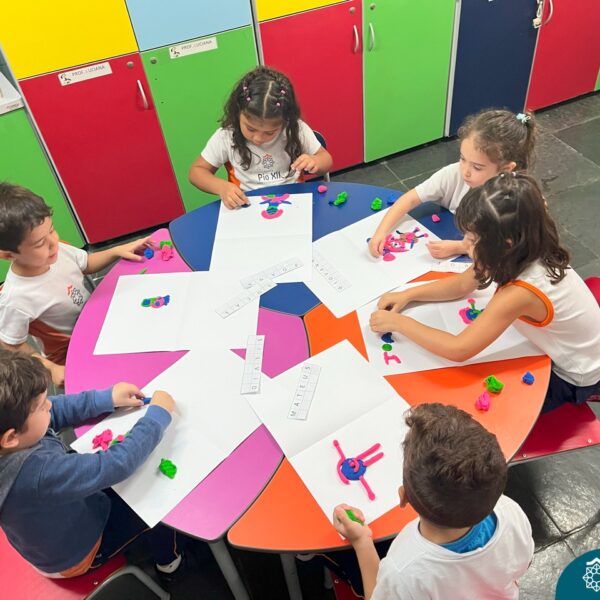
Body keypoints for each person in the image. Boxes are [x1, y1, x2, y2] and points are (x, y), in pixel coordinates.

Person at [370, 173, 600, 412]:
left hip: (572, 375)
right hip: (568, 344)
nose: (465, 244)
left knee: (485, 411)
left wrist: (400, 323)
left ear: (505, 244)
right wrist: (408, 295)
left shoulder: (521, 292)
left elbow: (459, 349)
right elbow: (462, 285)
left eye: (471, 240)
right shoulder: (521, 246)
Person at [0, 350, 182, 578]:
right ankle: (169, 564)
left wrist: (106, 399)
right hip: (79, 551)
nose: (50, 406)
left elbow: (56, 409)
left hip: (58, 522)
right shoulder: (35, 473)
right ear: (10, 437)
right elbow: (116, 465)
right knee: (155, 501)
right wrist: (156, 418)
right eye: (42, 406)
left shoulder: (13, 429)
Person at [333, 403, 534, 599]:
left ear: (404, 496)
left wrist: (361, 541)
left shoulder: (403, 571)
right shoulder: (511, 511)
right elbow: (522, 566)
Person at [0, 183, 153, 385]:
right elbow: (12, 345)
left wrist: (118, 251)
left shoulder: (58, 249)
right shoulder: (15, 299)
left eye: (52, 230)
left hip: (98, 322)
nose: (53, 242)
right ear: (8, 255)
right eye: (40, 243)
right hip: (72, 353)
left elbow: (86, 263)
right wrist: (50, 368)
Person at [368, 109, 537, 260]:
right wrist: (381, 232)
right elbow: (410, 198)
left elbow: (509, 247)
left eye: (477, 167)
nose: (465, 171)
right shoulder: (453, 173)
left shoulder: (515, 198)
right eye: (463, 158)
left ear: (506, 169)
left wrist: (460, 247)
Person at [189, 66, 333, 209]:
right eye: (250, 128)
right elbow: (196, 171)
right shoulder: (227, 136)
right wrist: (221, 187)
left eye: (270, 133)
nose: (258, 138)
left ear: (285, 121)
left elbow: (326, 160)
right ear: (238, 112)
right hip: (246, 204)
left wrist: (315, 161)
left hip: (294, 200)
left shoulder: (295, 129)